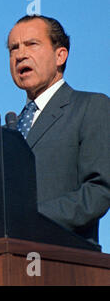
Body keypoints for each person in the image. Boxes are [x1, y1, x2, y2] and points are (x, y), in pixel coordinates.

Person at [7, 14, 110, 246]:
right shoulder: (8, 130)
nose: (20, 54)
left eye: (32, 44)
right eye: (13, 48)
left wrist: (30, 218)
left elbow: (99, 191)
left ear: (60, 55)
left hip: (65, 260)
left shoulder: (90, 107)